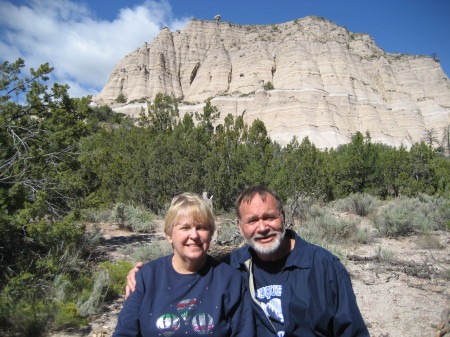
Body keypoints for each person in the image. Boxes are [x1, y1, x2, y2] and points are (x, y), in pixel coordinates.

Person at [126, 186, 370, 337]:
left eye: (270, 217)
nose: (262, 227)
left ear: (283, 218)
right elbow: (191, 261)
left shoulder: (324, 266)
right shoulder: (233, 267)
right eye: (252, 220)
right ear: (240, 227)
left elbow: (352, 331)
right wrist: (143, 273)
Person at [114, 192, 254, 337]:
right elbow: (124, 333)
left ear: (211, 233)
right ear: (169, 235)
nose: (194, 236)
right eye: (185, 228)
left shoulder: (231, 280)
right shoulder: (147, 277)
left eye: (201, 228)